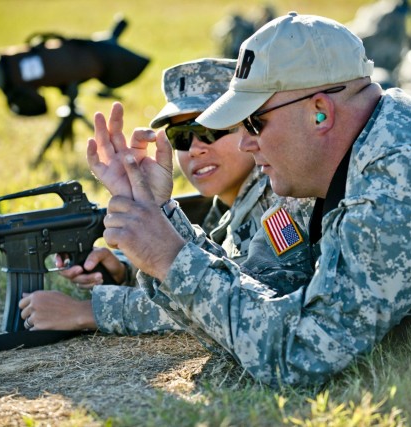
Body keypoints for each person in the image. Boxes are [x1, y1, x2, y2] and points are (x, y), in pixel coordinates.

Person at [90, 12, 411, 386]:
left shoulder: (404, 175)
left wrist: (169, 256)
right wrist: (161, 220)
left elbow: (302, 351)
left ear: (320, 110)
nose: (245, 144)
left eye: (254, 123)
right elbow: (275, 301)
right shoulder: (369, 145)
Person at [18, 58, 314, 334]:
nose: (195, 148)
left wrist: (87, 312)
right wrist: (129, 268)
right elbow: (213, 264)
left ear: (251, 125)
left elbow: (241, 300)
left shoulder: (281, 201)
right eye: (181, 136)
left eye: (212, 130)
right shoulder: (228, 207)